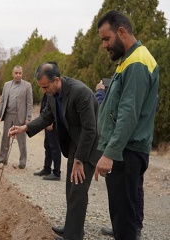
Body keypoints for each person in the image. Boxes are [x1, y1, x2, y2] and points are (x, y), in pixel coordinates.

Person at [8, 62, 101, 240]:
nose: (44, 91)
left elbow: (90, 129)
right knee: (70, 188)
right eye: (41, 87)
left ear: (56, 80)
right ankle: (72, 228)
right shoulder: (52, 94)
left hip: (88, 145)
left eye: (45, 86)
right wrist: (24, 128)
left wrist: (80, 160)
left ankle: (73, 236)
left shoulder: (79, 92)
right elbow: (46, 116)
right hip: (75, 143)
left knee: (78, 191)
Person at [95, 10, 159, 240]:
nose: (104, 45)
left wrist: (109, 153)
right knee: (123, 217)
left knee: (124, 222)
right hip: (125, 152)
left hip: (126, 153)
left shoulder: (138, 62)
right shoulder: (129, 61)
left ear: (121, 31)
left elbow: (128, 113)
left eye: (106, 38)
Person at [96, 79, 145, 239]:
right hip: (131, 144)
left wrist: (100, 93)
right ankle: (127, 227)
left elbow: (108, 112)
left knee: (130, 190)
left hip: (128, 146)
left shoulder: (136, 84)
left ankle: (131, 228)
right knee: (133, 188)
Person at [0, 65, 33, 169]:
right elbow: (2, 101)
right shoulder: (6, 85)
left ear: (22, 74)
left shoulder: (27, 86)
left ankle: (22, 161)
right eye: (16, 73)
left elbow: (29, 103)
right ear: (13, 74)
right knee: (5, 138)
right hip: (8, 115)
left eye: (20, 73)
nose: (18, 75)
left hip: (20, 117)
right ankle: (2, 158)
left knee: (21, 140)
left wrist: (28, 118)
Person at [33, 92, 62, 180]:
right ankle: (47, 168)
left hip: (53, 125)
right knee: (47, 146)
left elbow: (56, 109)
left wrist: (52, 122)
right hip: (46, 123)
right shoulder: (47, 92)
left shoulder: (54, 92)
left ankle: (56, 173)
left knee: (55, 148)